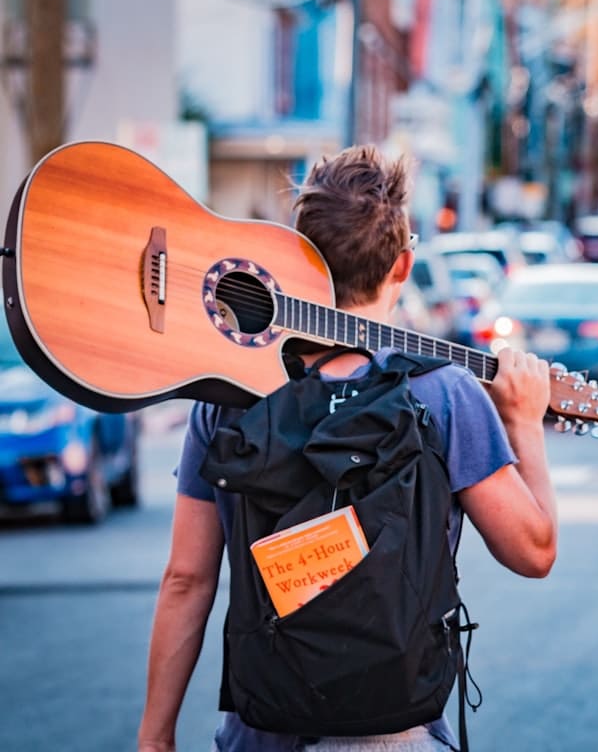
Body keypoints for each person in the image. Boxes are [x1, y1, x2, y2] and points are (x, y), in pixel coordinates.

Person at [137, 145, 559, 752]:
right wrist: (523, 422)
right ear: (403, 266)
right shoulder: (442, 393)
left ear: (294, 255)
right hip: (393, 732)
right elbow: (533, 552)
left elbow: (186, 579)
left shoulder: (231, 394)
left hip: (261, 728)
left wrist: (155, 737)